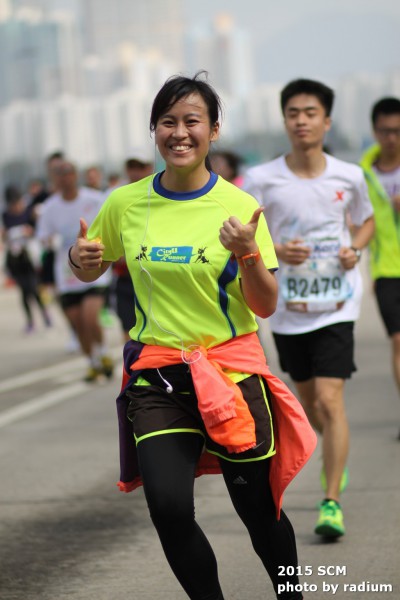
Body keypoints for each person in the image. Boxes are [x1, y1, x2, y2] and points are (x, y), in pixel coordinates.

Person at [68, 72, 316, 600]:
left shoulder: (239, 207)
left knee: (259, 512)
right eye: (168, 122)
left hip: (231, 376)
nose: (179, 133)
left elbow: (265, 304)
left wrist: (248, 253)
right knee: (170, 508)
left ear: (214, 130)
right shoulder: (125, 203)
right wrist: (79, 257)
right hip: (158, 377)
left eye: (192, 122)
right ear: (154, 130)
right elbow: (91, 266)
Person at [243, 78, 375, 539]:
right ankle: (333, 454)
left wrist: (354, 249)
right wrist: (277, 250)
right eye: (293, 113)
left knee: (330, 400)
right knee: (310, 403)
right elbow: (247, 234)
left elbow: (366, 221)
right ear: (285, 120)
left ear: (327, 121)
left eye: (310, 112)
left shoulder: (348, 175)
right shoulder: (261, 179)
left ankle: (331, 499)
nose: (301, 120)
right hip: (288, 307)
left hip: (337, 303)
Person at [36, 161, 114, 382]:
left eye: (68, 173)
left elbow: (109, 224)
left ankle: (104, 353)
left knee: (90, 317)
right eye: (59, 175)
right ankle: (92, 362)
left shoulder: (94, 199)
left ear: (75, 175)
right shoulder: (49, 207)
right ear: (54, 179)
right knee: (78, 323)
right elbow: (42, 237)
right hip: (66, 274)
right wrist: (52, 241)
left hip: (93, 270)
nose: (64, 179)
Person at [360, 97, 400, 440]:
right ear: (375, 131)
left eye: (398, 131)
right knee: (398, 342)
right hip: (386, 270)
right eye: (385, 131)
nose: (392, 138)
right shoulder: (361, 174)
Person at [109, 148, 154, 342]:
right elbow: (106, 236)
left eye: (141, 167)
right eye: (132, 167)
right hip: (126, 277)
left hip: (156, 276)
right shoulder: (116, 198)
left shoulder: (162, 196)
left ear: (150, 168)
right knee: (129, 333)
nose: (136, 172)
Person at [2, 185, 52, 333]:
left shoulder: (29, 212)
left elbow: (39, 231)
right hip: (15, 259)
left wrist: (29, 231)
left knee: (34, 288)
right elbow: (4, 236)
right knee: (24, 290)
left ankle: (44, 314)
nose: (15, 207)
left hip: (30, 257)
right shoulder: (5, 216)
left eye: (17, 203)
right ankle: (30, 321)